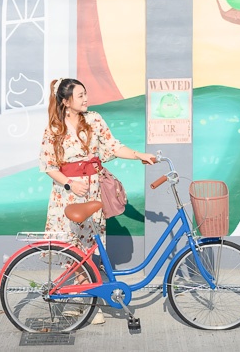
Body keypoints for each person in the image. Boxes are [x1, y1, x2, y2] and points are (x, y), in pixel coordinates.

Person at [39, 77, 157, 324]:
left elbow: (113, 146)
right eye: (80, 95)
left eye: (85, 94)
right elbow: (48, 165)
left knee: (91, 246)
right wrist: (70, 183)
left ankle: (87, 300)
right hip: (68, 194)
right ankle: (88, 302)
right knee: (73, 247)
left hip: (93, 191)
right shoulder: (54, 128)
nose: (85, 99)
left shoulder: (94, 120)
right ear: (65, 101)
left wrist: (140, 156)